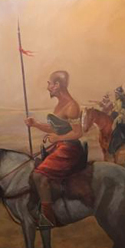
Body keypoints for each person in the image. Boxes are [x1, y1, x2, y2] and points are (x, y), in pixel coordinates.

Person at [24, 70, 85, 228]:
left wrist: (58, 138)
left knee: (39, 175)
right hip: (61, 146)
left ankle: (48, 217)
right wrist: (35, 124)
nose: (48, 87)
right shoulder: (59, 105)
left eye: (49, 84)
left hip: (70, 150)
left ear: (57, 85)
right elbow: (55, 128)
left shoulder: (71, 106)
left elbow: (78, 133)